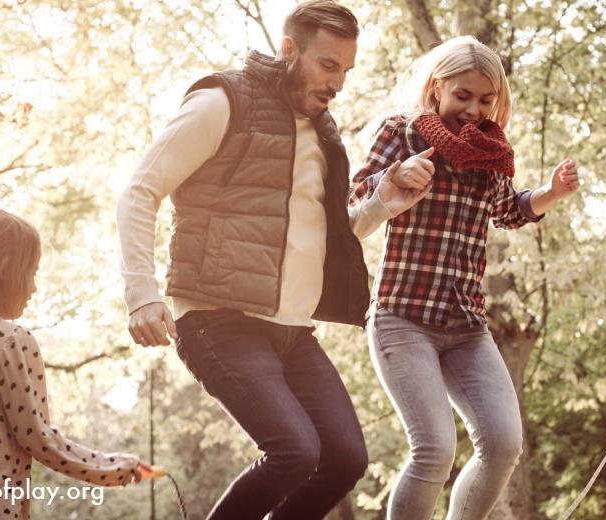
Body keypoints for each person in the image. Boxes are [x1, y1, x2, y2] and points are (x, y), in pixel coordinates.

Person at [115, 1, 424, 517]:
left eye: (346, 71)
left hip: (291, 330)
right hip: (219, 319)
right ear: (288, 50)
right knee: (295, 452)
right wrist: (141, 293)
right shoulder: (223, 100)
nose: (338, 84)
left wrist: (382, 204)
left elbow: (320, 234)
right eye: (328, 65)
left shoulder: (324, 135)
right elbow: (139, 191)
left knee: (345, 459)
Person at [348, 35, 582, 519]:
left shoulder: (490, 152)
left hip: (466, 326)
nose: (473, 109)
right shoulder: (402, 131)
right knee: (434, 451)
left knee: (502, 444)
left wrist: (552, 192)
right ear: (436, 88)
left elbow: (508, 210)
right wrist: (394, 176)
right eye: (462, 96)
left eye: (485, 100)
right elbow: (355, 197)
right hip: (403, 318)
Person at [0, 206, 152, 519]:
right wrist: (114, 468)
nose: (34, 288)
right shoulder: (11, 340)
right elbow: (39, 438)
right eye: (32, 273)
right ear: (5, 269)